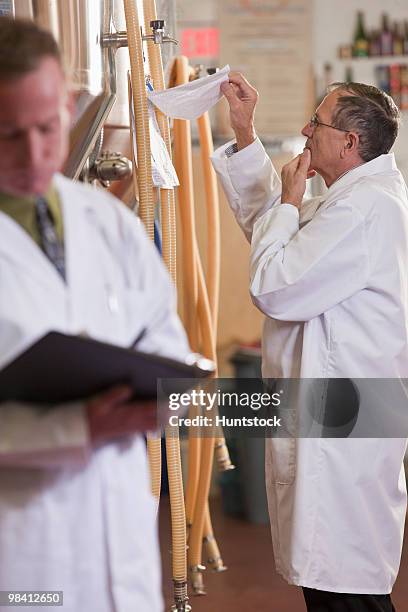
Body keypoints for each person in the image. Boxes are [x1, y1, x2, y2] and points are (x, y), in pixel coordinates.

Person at [0, 17, 190, 612]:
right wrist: (76, 428)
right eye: (7, 134)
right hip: (25, 555)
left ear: (69, 104)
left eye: (47, 127)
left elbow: (167, 342)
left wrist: (167, 393)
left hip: (121, 545)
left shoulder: (106, 223)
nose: (34, 154)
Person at [212, 72, 408, 611]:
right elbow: (275, 239)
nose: (304, 130)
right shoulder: (353, 198)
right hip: (338, 416)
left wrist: (289, 200)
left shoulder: (363, 209)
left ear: (350, 142)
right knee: (334, 591)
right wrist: (247, 134)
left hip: (345, 428)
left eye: (316, 123)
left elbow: (275, 285)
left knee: (348, 596)